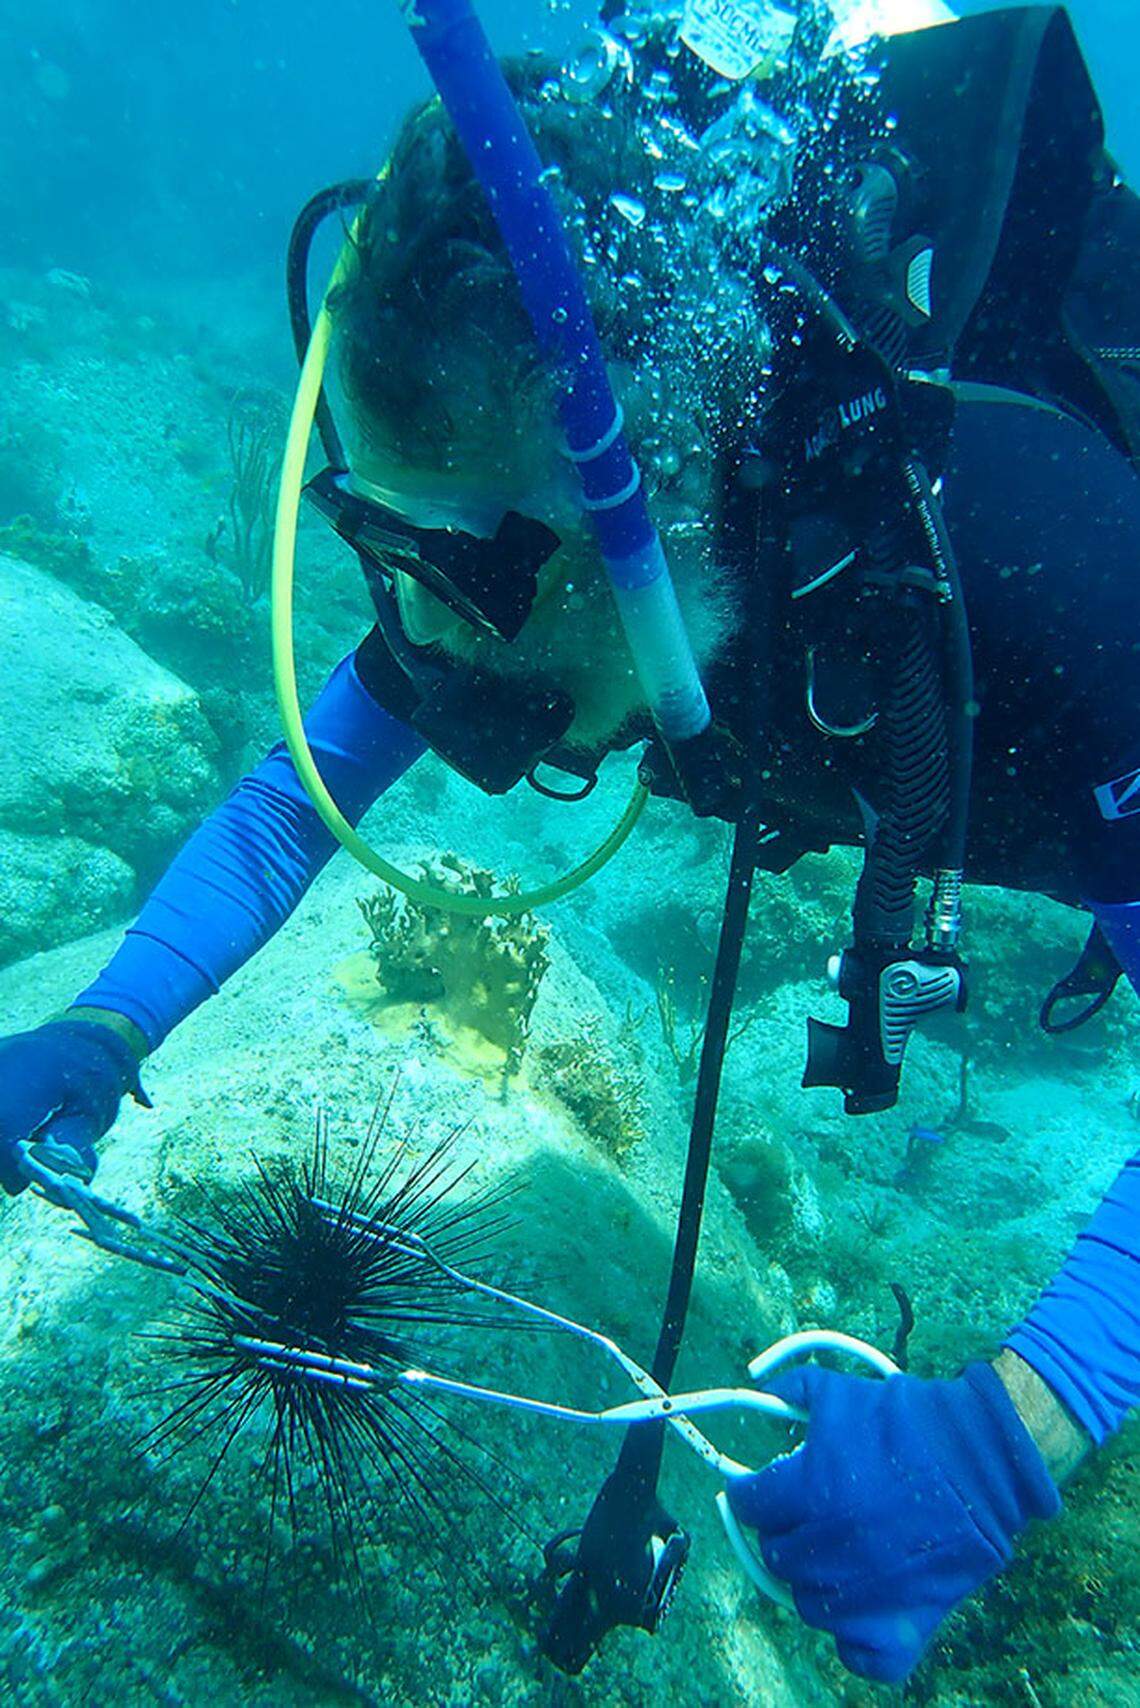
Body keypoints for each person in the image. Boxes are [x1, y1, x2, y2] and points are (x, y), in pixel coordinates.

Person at [4, 0, 1140, 1685]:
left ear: (655, 526)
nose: (418, 641)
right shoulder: (515, 583)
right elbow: (279, 812)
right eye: (382, 547)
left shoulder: (1054, 594)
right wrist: (104, 1025)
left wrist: (1024, 1423)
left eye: (455, 574)